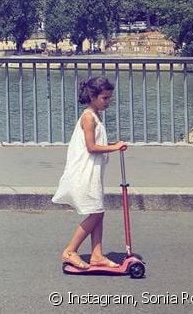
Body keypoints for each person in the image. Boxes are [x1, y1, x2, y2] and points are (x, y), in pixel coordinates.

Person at [51, 77, 129, 269]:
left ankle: (97, 254)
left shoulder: (95, 115)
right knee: (94, 213)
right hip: (84, 171)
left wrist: (113, 145)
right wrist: (114, 147)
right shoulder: (88, 117)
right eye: (104, 98)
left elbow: (96, 144)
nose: (108, 101)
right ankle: (70, 250)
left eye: (109, 98)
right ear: (92, 97)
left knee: (98, 212)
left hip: (94, 171)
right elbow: (92, 147)